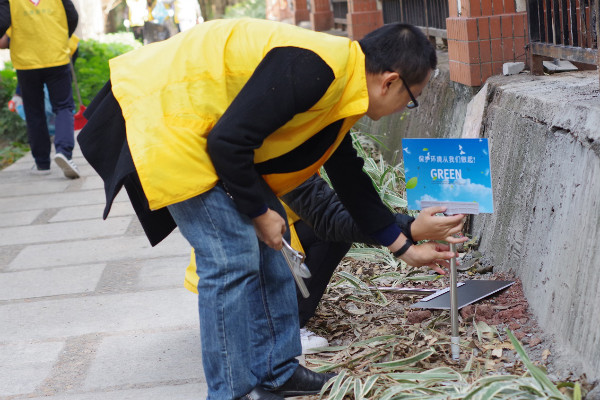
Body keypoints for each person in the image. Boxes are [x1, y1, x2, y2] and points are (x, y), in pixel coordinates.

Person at [77, 19, 465, 400]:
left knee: (274, 248)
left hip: (211, 132)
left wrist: (402, 245)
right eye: (411, 98)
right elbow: (228, 142)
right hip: (167, 115)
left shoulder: (343, 86)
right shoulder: (316, 69)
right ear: (389, 81)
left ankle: (277, 372)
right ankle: (230, 392)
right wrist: (261, 213)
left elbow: (349, 177)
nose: (404, 108)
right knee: (231, 255)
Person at [183, 173, 466, 354]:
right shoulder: (279, 142)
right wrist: (409, 232)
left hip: (254, 249)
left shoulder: (288, 134)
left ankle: (276, 321)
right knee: (326, 232)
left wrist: (406, 236)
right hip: (238, 264)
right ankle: (278, 329)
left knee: (328, 233)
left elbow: (334, 206)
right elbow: (327, 211)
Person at [0, 0, 80, 179]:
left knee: (34, 111)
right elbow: (72, 16)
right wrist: (60, 36)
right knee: (63, 106)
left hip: (26, 62)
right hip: (56, 56)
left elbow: (2, 22)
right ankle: (64, 152)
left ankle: (42, 163)